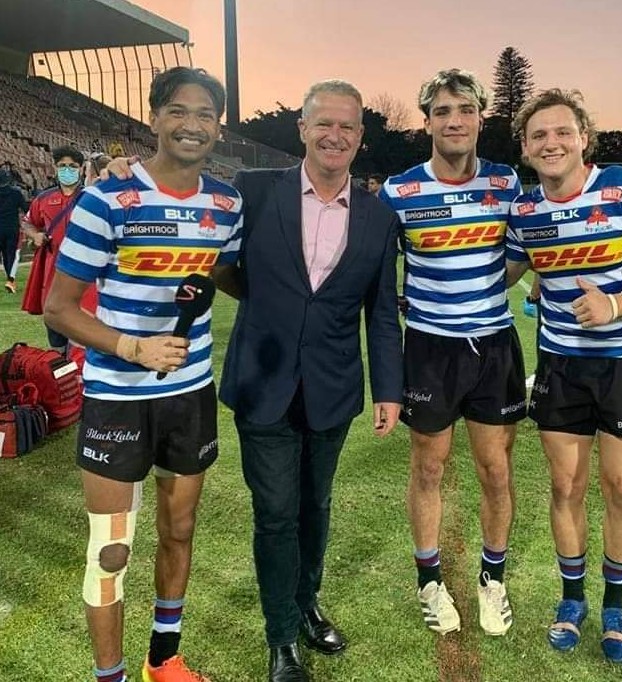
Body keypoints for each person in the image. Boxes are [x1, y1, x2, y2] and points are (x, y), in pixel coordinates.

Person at [44, 67, 243, 682]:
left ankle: (165, 658)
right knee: (111, 550)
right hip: (117, 399)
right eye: (179, 111)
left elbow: (232, 278)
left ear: (219, 126)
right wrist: (134, 348)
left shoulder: (226, 203)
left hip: (191, 397)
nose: (192, 124)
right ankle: (112, 676)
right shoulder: (108, 197)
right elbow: (59, 308)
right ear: (154, 119)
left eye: (206, 114)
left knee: (179, 530)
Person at [214, 80, 403, 682]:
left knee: (315, 506)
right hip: (263, 379)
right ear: (302, 128)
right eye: (324, 123)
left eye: (348, 127)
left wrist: (390, 390)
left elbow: (380, 311)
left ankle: (306, 603)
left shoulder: (378, 216)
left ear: (360, 138)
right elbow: (223, 267)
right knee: (275, 513)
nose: (335, 135)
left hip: (332, 385)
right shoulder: (255, 191)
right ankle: (280, 640)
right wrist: (271, 305)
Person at [506, 89, 622, 663]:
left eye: (562, 131)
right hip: (562, 366)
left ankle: (615, 606)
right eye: (538, 135)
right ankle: (572, 599)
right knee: (565, 487)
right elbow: (504, 272)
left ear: (583, 138)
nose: (551, 143)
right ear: (524, 148)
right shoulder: (525, 210)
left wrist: (616, 306)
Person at [379, 69, 526, 637]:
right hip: (430, 349)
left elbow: (518, 258)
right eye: (442, 111)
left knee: (495, 468)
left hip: (493, 346)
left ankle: (493, 578)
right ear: (428, 123)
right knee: (429, 466)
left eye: (464, 109)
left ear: (480, 118)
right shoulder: (401, 191)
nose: (454, 120)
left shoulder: (507, 183)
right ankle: (430, 581)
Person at [21, 146, 94, 352]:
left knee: (83, 337)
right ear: (55, 168)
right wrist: (35, 235)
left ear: (81, 169)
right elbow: (27, 222)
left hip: (87, 277)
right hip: (52, 275)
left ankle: (80, 376)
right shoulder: (43, 199)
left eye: (72, 166)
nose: (67, 170)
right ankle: (59, 374)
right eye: (63, 166)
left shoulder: (92, 198)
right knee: (55, 336)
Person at [0, 168, 27, 293]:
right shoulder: (15, 193)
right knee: (10, 255)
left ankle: (10, 281)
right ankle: (10, 280)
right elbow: (25, 208)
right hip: (11, 228)